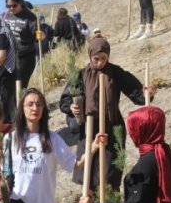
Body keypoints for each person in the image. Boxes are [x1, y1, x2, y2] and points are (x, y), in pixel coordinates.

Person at [60, 37, 154, 192]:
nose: (99, 63)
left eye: (103, 58)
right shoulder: (81, 75)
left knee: (109, 174)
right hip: (88, 129)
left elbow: (136, 93)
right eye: (96, 59)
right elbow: (65, 100)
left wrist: (146, 94)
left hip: (111, 126)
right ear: (90, 56)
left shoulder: (116, 73)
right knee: (88, 172)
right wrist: (72, 107)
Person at [3, 0, 39, 89]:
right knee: (7, 86)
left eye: (14, 5)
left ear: (21, 3)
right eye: (8, 6)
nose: (11, 8)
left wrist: (40, 35)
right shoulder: (6, 16)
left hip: (25, 57)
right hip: (9, 56)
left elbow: (36, 34)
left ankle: (20, 103)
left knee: (19, 86)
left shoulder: (30, 17)